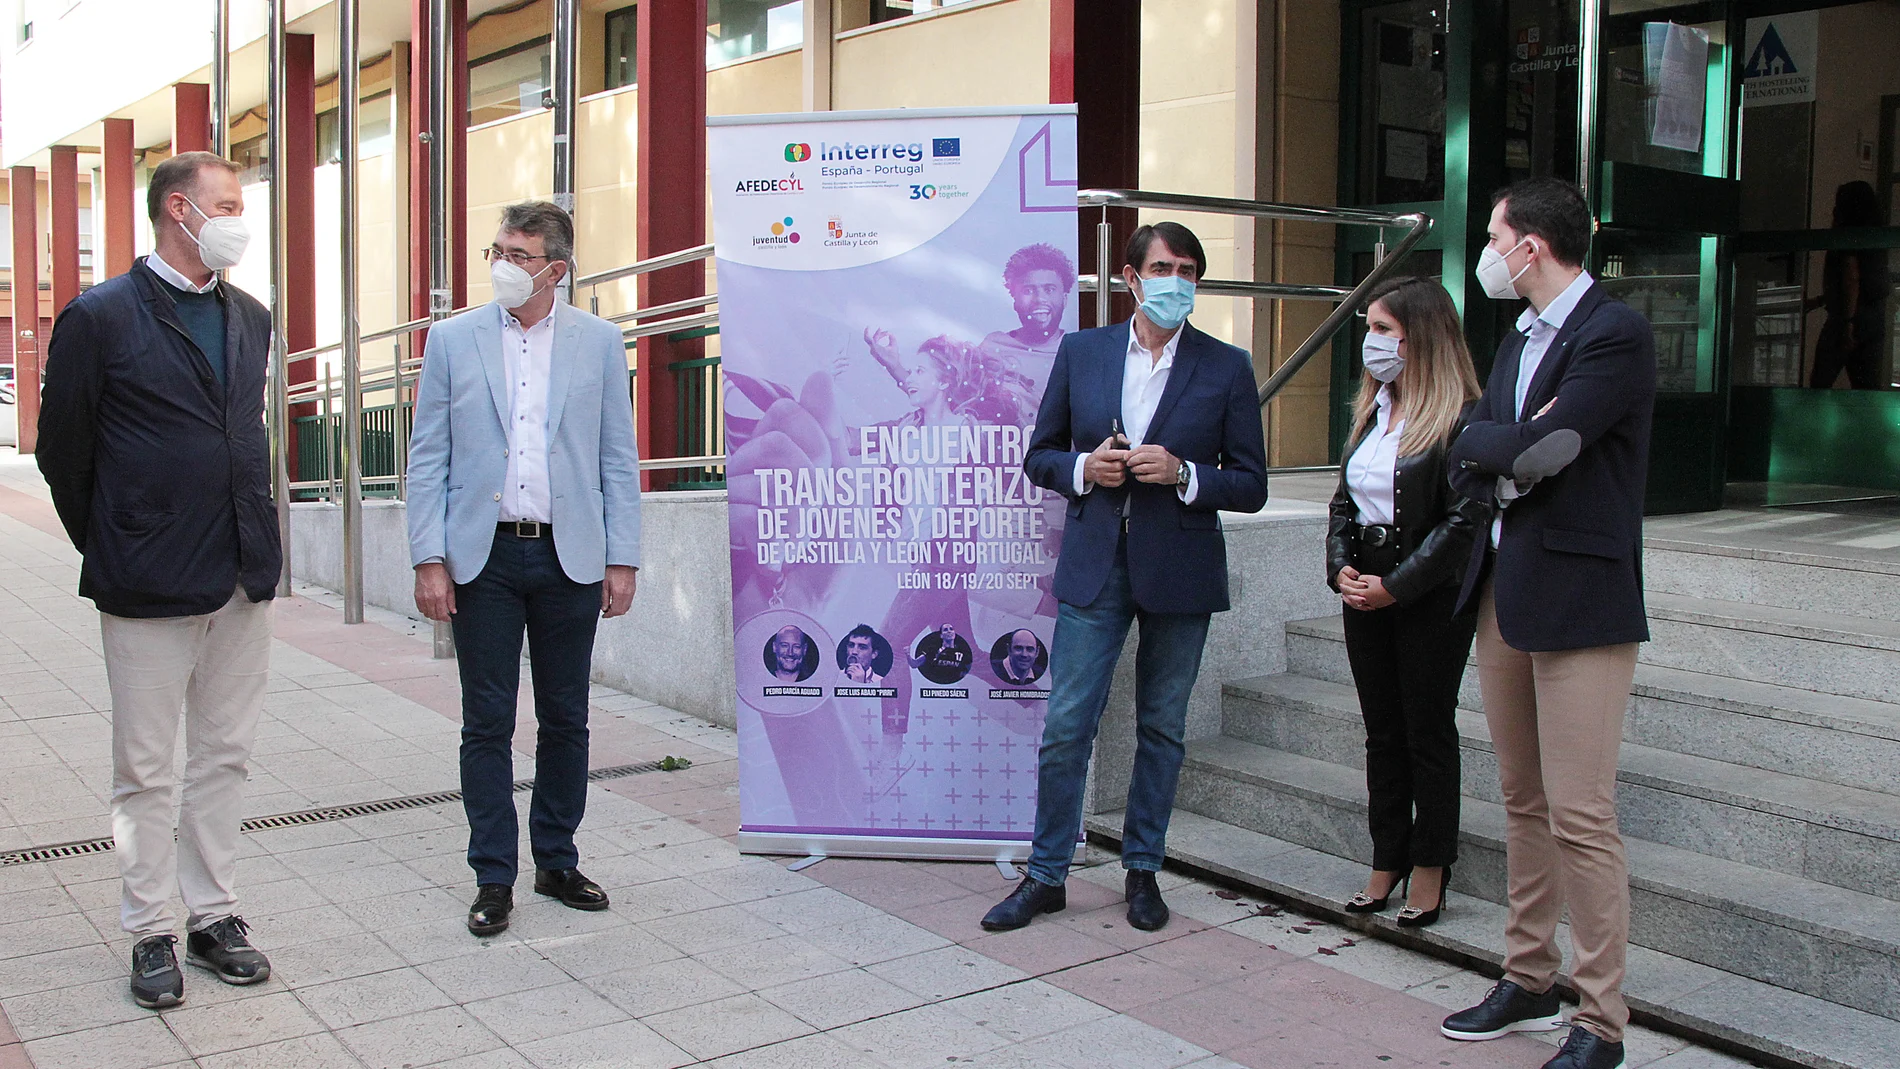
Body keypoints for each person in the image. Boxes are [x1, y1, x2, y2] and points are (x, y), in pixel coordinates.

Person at [36, 151, 279, 1008]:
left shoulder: (251, 315)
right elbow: (63, 451)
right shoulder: (100, 316)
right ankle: (148, 929)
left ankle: (214, 917)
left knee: (225, 756)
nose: (239, 220)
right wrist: (117, 539)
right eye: (227, 204)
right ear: (179, 211)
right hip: (145, 580)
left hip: (242, 574)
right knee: (145, 769)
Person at [984, 221, 1269, 933]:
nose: (1178, 281)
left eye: (1190, 270)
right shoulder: (1084, 352)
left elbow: (1252, 482)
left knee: (1162, 729)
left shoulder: (1227, 365)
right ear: (1131, 278)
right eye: (1164, 268)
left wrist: (1184, 474)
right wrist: (1088, 468)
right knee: (1066, 725)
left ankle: (1143, 871)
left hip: (1181, 568)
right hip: (1096, 563)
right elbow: (1040, 455)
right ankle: (1045, 875)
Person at [1438, 177, 1656, 1069]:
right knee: (1523, 801)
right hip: (1506, 589)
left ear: (1531, 246)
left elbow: (1534, 449)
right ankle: (1528, 974)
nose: (1488, 251)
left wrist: (1505, 449)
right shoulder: (1517, 338)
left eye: (1495, 236)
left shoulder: (1614, 331)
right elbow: (1469, 444)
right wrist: (1502, 448)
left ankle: (1601, 1018)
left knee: (1581, 813)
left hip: (1582, 600)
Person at [407, 200, 641, 938]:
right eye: (498, 251)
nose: (504, 266)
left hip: (570, 553)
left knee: (566, 717)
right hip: (484, 555)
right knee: (486, 721)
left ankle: (556, 858)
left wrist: (622, 555)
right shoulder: (452, 340)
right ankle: (493, 876)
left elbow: (615, 455)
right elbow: (428, 456)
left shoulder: (599, 342)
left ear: (558, 269)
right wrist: (428, 556)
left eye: (522, 255)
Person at [1326, 276, 1489, 930]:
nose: (1372, 342)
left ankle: (1431, 863)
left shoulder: (1463, 415)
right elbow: (1344, 503)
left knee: (1427, 731)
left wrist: (1397, 583)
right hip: (1362, 588)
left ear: (1421, 336)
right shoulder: (1373, 407)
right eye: (1369, 328)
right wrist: (1341, 567)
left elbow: (1464, 521)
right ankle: (1386, 855)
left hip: (1425, 593)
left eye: (1385, 330)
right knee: (1381, 732)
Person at [1807, 181, 1889, 390]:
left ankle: (1815, 420)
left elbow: (1851, 279)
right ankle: (1865, 422)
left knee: (1820, 385)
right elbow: (1862, 282)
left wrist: (1847, 324)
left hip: (1847, 318)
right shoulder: (1875, 239)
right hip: (1874, 317)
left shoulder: (1846, 239)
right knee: (1866, 389)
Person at [981, 242, 1077, 361]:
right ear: (1014, 301)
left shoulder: (1077, 351)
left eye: (1049, 289)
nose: (1039, 299)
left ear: (1065, 299)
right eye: (1028, 291)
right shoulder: (994, 347)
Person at [909, 623, 973, 684]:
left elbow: (966, 671)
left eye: (951, 629)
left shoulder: (962, 653)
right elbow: (914, 664)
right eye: (945, 630)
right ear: (941, 635)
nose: (949, 631)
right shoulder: (934, 651)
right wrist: (907, 654)